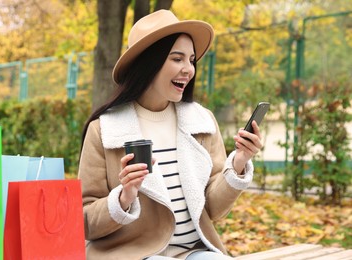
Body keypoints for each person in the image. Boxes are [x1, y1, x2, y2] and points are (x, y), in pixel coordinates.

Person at [78, 9, 263, 260]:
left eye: (191, 60)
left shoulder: (202, 122)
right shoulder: (104, 130)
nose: (188, 69)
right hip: (134, 254)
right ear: (148, 63)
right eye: (177, 59)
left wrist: (239, 163)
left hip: (193, 252)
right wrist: (124, 197)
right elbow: (84, 220)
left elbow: (213, 210)